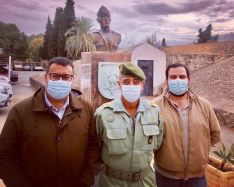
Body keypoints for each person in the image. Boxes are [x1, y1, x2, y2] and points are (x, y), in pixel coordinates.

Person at [0, 57, 100, 187]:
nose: (60, 81)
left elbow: (93, 147)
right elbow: (4, 155)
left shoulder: (86, 109)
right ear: (46, 78)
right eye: (55, 76)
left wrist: (86, 180)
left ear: (72, 80)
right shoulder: (20, 112)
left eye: (65, 77)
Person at [153, 63, 221, 187]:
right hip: (166, 178)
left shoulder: (204, 105)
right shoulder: (154, 106)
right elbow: (150, 140)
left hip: (197, 178)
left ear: (189, 79)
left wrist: (201, 148)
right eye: (173, 77)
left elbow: (215, 134)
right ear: (166, 80)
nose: (178, 80)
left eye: (182, 76)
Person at [95, 63, 163, 187]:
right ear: (118, 84)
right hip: (112, 182)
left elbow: (157, 144)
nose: (131, 86)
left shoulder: (154, 111)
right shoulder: (102, 114)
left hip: (145, 181)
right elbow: (95, 148)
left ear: (142, 85)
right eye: (126, 82)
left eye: (136, 82)